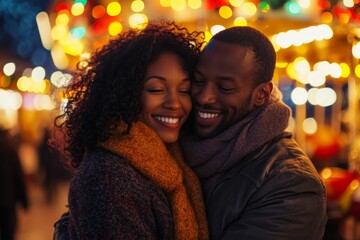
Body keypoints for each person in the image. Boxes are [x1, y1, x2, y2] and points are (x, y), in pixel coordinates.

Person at [53, 21, 208, 239]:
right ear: (125, 94)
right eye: (156, 89)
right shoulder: (110, 177)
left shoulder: (176, 160)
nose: (175, 103)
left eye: (184, 90)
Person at [180, 26, 327, 239]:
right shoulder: (176, 144)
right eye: (199, 81)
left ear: (261, 94)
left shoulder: (292, 186)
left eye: (225, 88)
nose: (204, 97)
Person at [0, 128, 29, 240]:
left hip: (7, 199)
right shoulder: (10, 149)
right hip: (8, 200)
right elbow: (18, 175)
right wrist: (24, 200)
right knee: (8, 232)